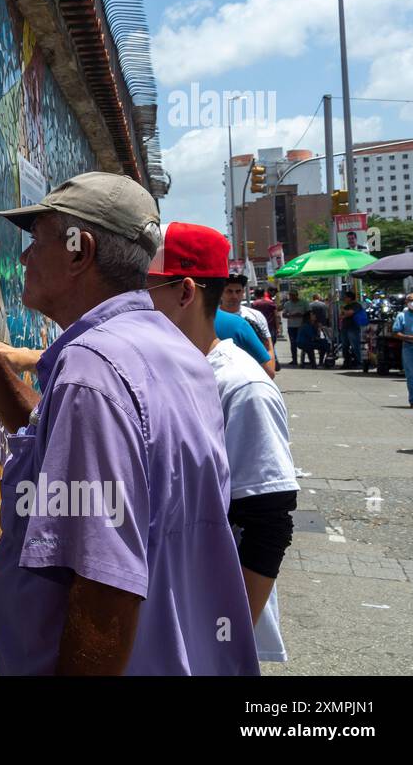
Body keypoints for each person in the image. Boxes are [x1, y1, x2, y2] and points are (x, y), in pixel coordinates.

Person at [0, 171, 257, 675]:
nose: (25, 258)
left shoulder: (93, 373)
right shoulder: (171, 353)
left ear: (80, 252)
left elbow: (106, 588)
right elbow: (49, 433)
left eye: (38, 241)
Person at [144, 222, 299, 663]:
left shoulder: (241, 385)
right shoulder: (163, 369)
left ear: (185, 293)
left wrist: (223, 638)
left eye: (146, 287)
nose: (134, 301)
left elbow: (268, 523)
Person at [221, 275, 276, 373]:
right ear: (221, 293)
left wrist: (269, 368)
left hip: (253, 372)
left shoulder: (256, 316)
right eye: (229, 291)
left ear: (243, 293)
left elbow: (268, 346)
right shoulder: (211, 317)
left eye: (238, 291)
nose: (234, 296)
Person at [393, 293, 413, 407]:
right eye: (411, 300)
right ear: (406, 302)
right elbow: (396, 332)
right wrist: (410, 338)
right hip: (409, 347)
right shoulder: (401, 316)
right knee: (412, 375)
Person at [281, 291, 309, 366]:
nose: (292, 297)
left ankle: (305, 360)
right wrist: (290, 315)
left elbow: (309, 313)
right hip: (291, 326)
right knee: (293, 343)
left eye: (293, 295)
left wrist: (302, 315)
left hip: (302, 326)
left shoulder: (304, 302)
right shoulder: (287, 304)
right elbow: (284, 314)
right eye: (291, 296)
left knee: (303, 343)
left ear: (297, 295)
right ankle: (294, 360)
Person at [339, 290, 365, 368]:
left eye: (345, 297)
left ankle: (358, 362)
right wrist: (345, 314)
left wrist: (344, 311)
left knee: (355, 345)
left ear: (349, 298)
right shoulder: (346, 306)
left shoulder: (356, 305)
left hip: (353, 328)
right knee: (345, 346)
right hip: (345, 327)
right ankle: (347, 361)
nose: (344, 299)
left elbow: (350, 313)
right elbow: (341, 316)